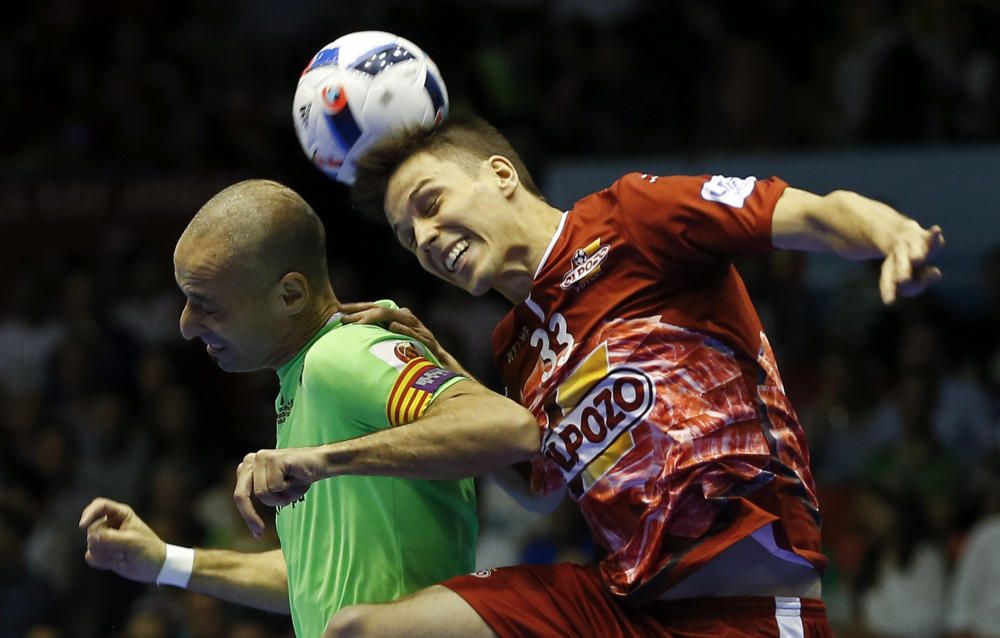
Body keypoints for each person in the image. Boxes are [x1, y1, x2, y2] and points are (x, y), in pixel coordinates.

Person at [234, 115, 945, 637]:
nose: (423, 240)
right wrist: (451, 373)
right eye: (406, 236)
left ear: (500, 175)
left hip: (747, 610)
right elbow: (538, 488)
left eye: (430, 204)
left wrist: (891, 235)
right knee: (359, 631)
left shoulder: (633, 219)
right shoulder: (515, 347)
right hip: (618, 609)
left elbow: (815, 215)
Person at [79, 179, 539, 637]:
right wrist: (166, 561)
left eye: (206, 305)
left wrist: (320, 460)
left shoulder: (341, 356)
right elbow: (312, 578)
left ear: (291, 295)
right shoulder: (298, 385)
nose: (185, 326)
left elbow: (510, 428)